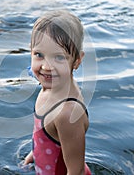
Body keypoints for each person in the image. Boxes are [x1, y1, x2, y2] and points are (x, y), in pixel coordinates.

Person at [23, 10, 91, 175]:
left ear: (76, 61)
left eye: (59, 57)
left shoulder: (66, 114)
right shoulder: (53, 84)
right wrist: (35, 153)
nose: (46, 67)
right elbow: (47, 135)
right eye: (39, 55)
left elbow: (77, 171)